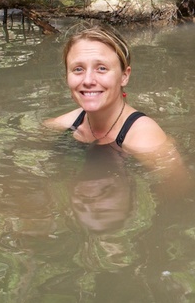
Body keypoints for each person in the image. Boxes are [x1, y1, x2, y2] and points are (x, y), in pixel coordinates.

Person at [44, 24, 186, 184]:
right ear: (66, 77)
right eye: (78, 69)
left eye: (102, 68)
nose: (88, 80)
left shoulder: (144, 139)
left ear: (124, 76)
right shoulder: (67, 123)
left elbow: (178, 191)